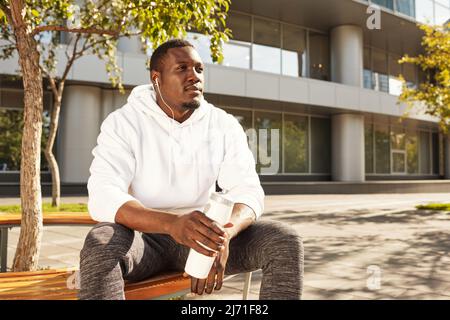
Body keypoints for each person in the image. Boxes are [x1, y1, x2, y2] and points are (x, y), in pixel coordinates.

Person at [79, 39, 304, 300]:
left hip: (203, 238)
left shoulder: (223, 124)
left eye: (199, 69)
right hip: (143, 239)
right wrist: (173, 223)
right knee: (101, 242)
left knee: (284, 240)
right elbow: (103, 195)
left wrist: (222, 235)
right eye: (182, 68)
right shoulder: (123, 123)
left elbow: (248, 191)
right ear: (156, 79)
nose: (194, 76)